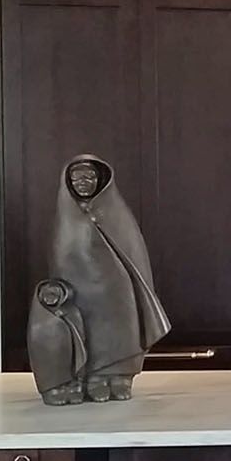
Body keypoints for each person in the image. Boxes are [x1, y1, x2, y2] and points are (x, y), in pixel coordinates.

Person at [51, 155, 170, 401]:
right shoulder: (66, 218)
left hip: (118, 289)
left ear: (101, 179)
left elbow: (133, 252)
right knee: (90, 333)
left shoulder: (116, 213)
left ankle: (121, 376)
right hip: (81, 291)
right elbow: (61, 255)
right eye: (77, 177)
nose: (83, 182)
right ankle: (93, 377)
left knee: (122, 331)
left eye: (89, 177)